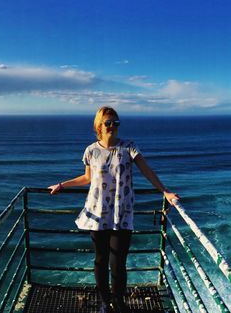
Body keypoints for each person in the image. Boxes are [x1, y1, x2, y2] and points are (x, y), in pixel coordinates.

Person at [49, 106, 180, 313]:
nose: (112, 127)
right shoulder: (91, 150)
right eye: (108, 123)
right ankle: (104, 301)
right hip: (98, 213)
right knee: (100, 260)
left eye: (115, 123)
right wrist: (62, 185)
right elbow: (87, 178)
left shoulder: (129, 147)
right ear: (98, 126)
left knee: (118, 263)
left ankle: (119, 302)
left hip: (122, 214)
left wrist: (165, 191)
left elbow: (147, 171)